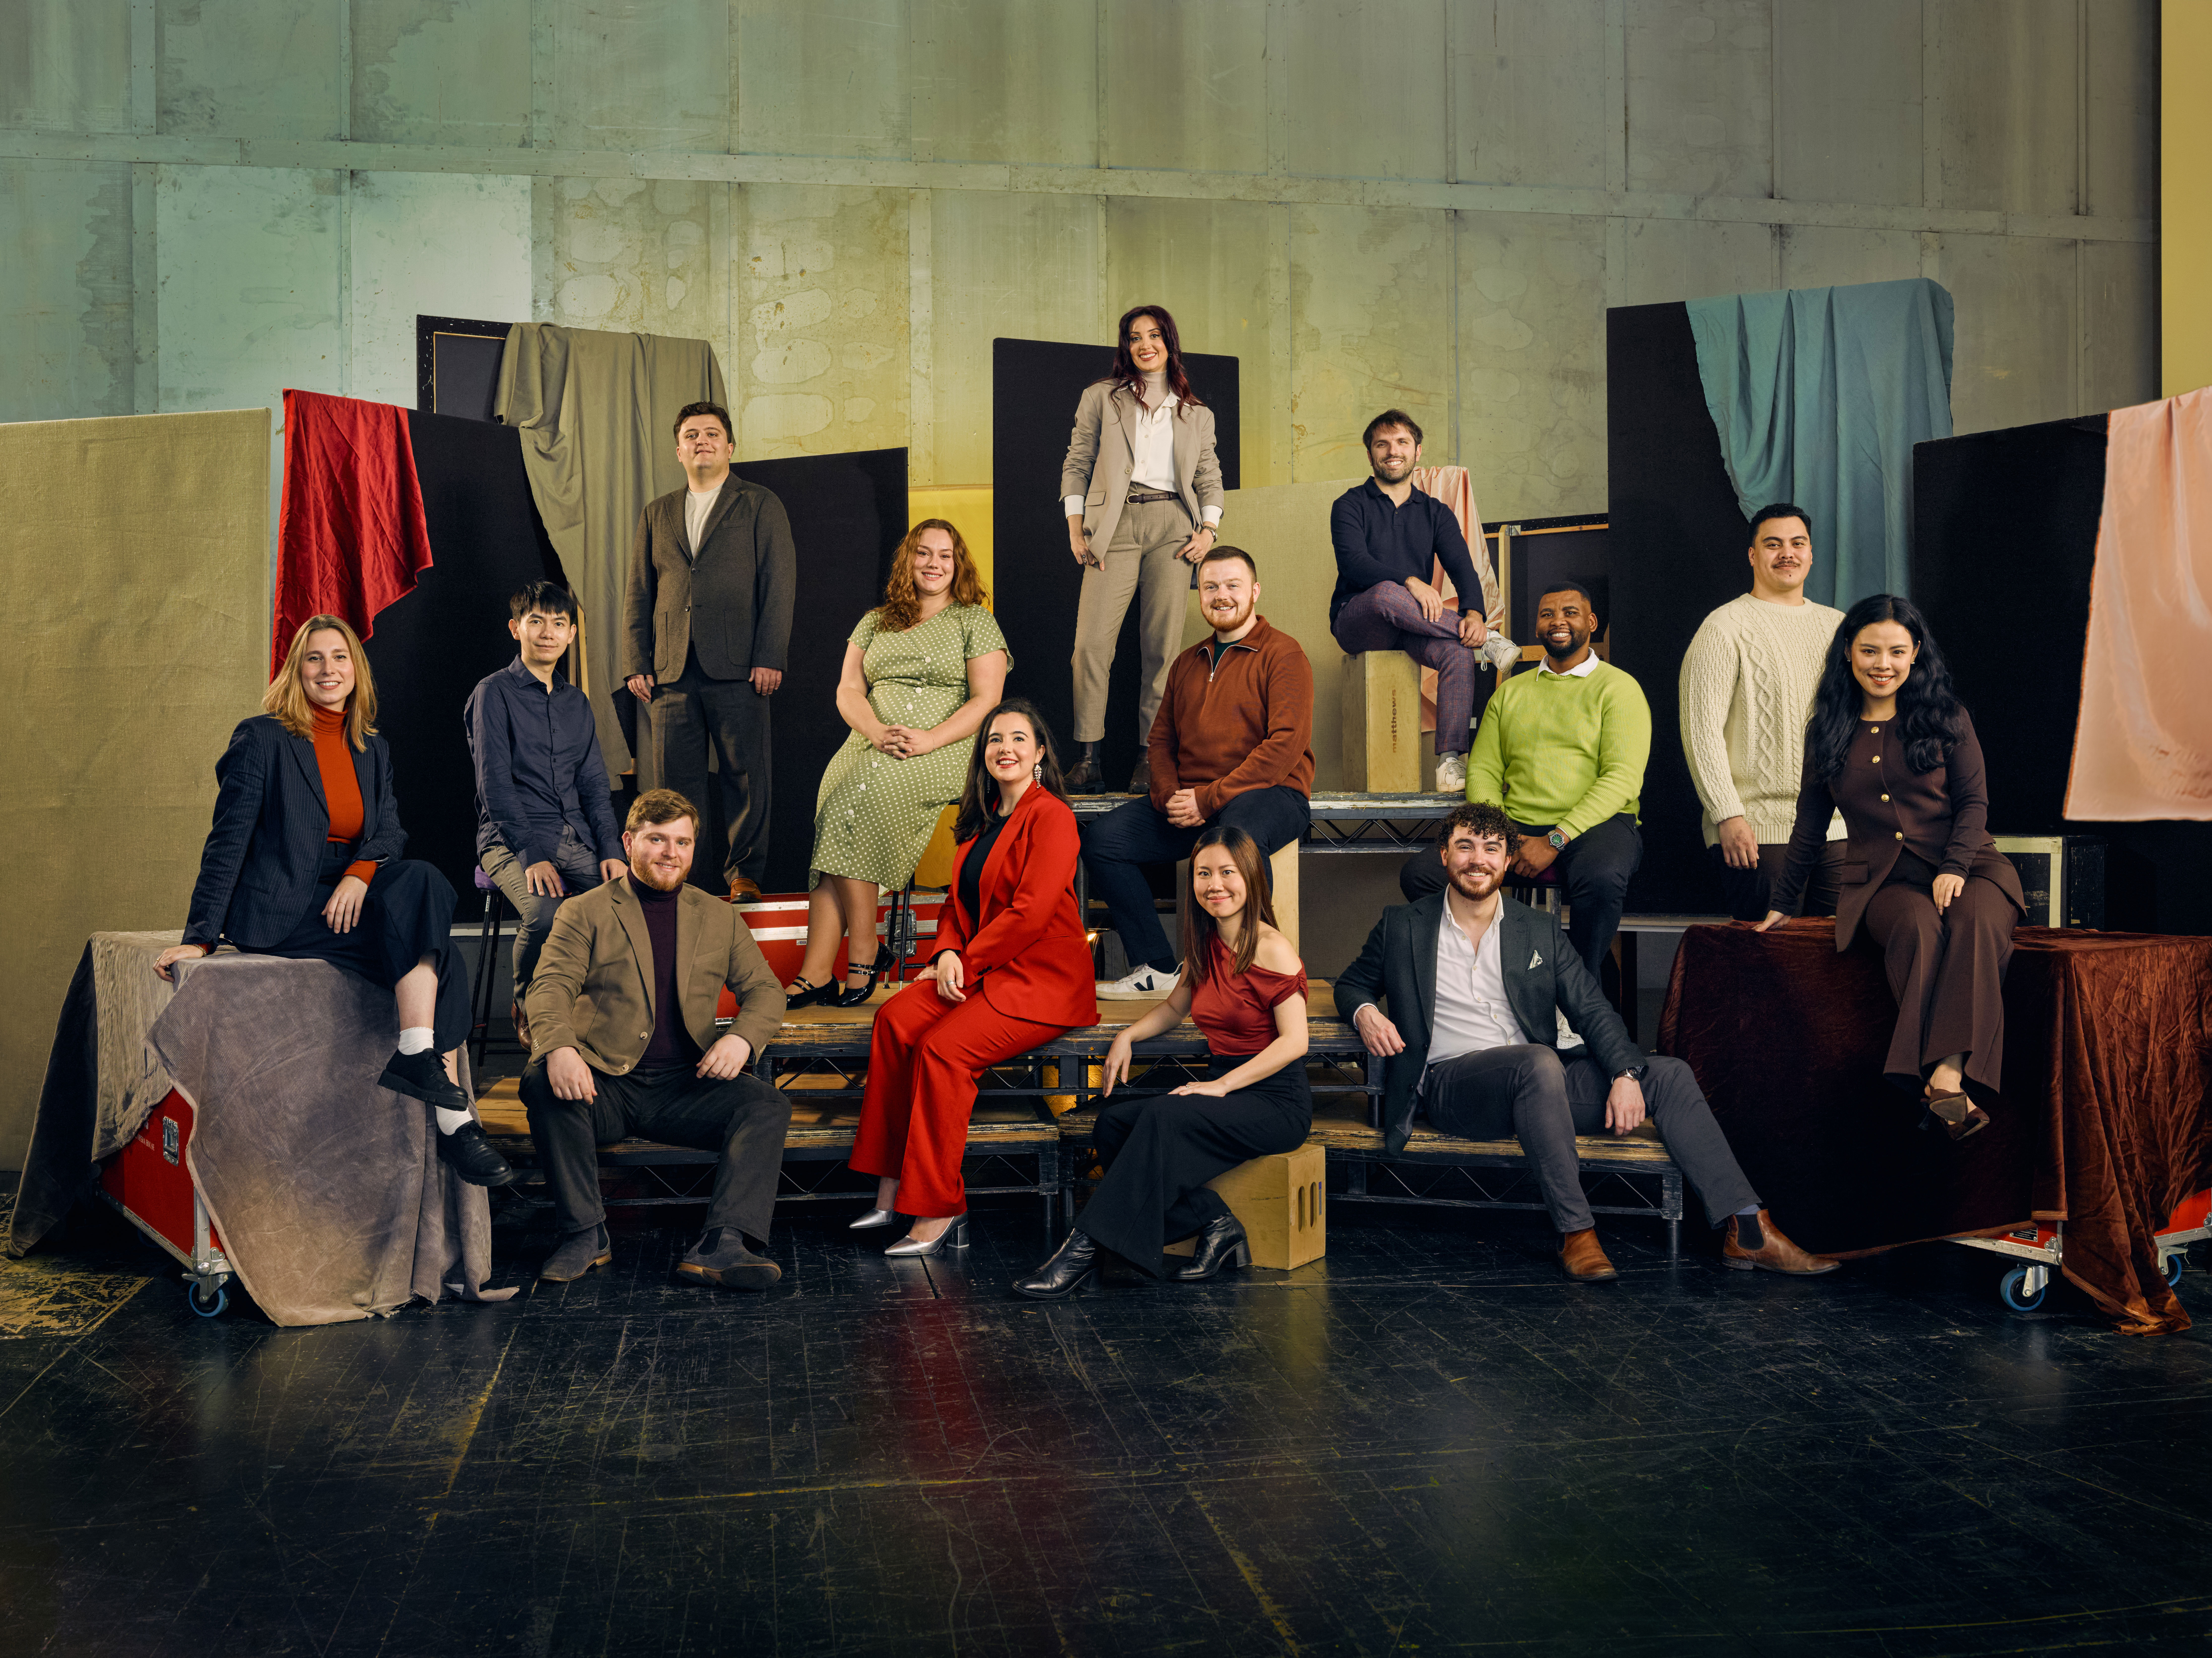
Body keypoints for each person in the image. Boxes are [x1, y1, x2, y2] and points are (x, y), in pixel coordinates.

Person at [1341, 803, 1834, 1280]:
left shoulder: (1535, 930)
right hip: (1452, 1086)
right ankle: (1576, 1231)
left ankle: (1747, 1229)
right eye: (1464, 846)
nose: (1478, 859)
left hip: (1538, 1082)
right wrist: (1365, 1013)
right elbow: (1351, 985)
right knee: (1536, 1063)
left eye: (1491, 848)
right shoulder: (1402, 925)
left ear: (1508, 860)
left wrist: (1625, 1073)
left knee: (1666, 1074)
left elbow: (1591, 1007)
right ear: (1444, 856)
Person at [154, 616, 514, 1187]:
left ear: (356, 670)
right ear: (297, 671)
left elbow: (389, 831)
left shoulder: (372, 746)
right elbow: (229, 840)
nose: (329, 670)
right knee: (439, 953)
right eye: (315, 659)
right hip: (285, 900)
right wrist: (199, 936)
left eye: (340, 658)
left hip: (349, 888)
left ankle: (418, 1052)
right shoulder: (262, 736)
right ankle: (457, 1125)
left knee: (420, 878)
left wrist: (360, 876)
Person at [1758, 595, 2023, 1139]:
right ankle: (1932, 1079)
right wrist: (1782, 904)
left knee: (1973, 923)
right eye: (1870, 651)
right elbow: (1808, 826)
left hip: (1971, 866)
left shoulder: (1947, 716)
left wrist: (1953, 865)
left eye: (1897, 652)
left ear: (1915, 653)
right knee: (1916, 928)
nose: (1883, 664)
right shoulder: (1827, 729)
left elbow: (1974, 803)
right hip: (1881, 883)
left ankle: (1946, 1077)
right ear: (1848, 655)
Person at [1017, 825, 1311, 1297]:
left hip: (1275, 1101)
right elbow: (1176, 1008)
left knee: (1160, 1114)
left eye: (1227, 872)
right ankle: (1213, 1222)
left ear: (1252, 877)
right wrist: (1127, 1036)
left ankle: (1084, 1250)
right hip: (1228, 1090)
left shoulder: (1272, 947)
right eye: (1203, 874)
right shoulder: (1208, 942)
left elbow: (1295, 1042)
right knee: (1113, 1124)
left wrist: (1220, 1087)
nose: (1215, 884)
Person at [520, 789, 794, 1287]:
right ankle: (585, 1235)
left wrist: (742, 1040)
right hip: (603, 1082)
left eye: (683, 842)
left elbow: (765, 993)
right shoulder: (584, 911)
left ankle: (723, 1244)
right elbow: (550, 988)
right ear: (629, 842)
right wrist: (559, 1047)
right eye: (657, 839)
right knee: (543, 1080)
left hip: (684, 1086)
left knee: (765, 1105)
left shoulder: (718, 915)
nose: (671, 853)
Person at [849, 701, 1097, 1254]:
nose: (1004, 748)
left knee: (941, 1051)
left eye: (1017, 738)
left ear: (1038, 754)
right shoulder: (982, 817)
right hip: (985, 969)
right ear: (983, 755)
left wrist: (967, 959)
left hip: (1042, 981)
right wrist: (946, 954)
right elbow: (955, 907)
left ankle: (939, 1208)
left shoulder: (1051, 814)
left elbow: (1031, 912)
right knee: (894, 1019)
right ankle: (892, 1185)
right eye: (994, 740)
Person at [784, 520, 1009, 1011]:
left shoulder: (974, 620)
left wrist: (927, 738)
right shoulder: (875, 621)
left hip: (943, 744)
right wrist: (873, 732)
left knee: (853, 808)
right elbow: (848, 689)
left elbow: (987, 698)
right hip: (869, 741)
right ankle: (818, 971)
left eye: (945, 556)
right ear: (906, 560)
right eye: (923, 553)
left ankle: (864, 953)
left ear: (958, 564)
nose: (933, 564)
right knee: (837, 813)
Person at [1083, 548, 1314, 999]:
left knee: (1237, 833)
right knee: (1103, 841)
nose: (1221, 596)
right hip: (1194, 803)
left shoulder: (1284, 654)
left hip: (1271, 795)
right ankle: (1156, 968)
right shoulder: (1187, 663)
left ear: (1254, 592)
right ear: (1200, 595)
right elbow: (1161, 741)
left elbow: (1283, 748)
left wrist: (1208, 799)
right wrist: (1170, 796)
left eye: (1232, 586)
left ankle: (1245, 974)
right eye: (1210, 587)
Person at [1400, 580, 1648, 984]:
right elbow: (1483, 770)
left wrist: (1556, 840)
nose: (1558, 622)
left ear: (1592, 622)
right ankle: (1500, 963)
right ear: (1536, 628)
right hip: (1515, 825)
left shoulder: (1619, 689)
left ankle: (1578, 987)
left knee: (1602, 880)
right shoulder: (1510, 693)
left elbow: (1620, 779)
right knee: (1422, 875)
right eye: (1547, 614)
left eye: (1570, 613)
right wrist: (1498, 838)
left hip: (1594, 825)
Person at [622, 401, 796, 898]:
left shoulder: (760, 504)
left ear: (729, 446)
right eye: (692, 435)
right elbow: (639, 591)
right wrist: (637, 660)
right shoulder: (657, 512)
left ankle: (744, 873)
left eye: (712, 434)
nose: (702, 441)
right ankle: (685, 878)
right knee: (677, 785)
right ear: (678, 450)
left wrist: (769, 655)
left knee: (745, 778)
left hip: (741, 667)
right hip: (671, 670)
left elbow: (779, 585)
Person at [1060, 304, 1226, 794]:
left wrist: (1208, 531)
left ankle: (1148, 759)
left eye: (1154, 336)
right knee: (1089, 647)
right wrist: (1075, 527)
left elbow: (1209, 478)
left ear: (1169, 343)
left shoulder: (1195, 414)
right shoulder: (1101, 398)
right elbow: (1077, 461)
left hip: (1174, 526)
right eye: (1135, 337)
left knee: (1163, 651)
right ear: (1125, 346)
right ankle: (1087, 759)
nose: (1144, 345)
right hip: (1114, 524)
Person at [466, 581, 628, 1043]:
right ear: (516, 628)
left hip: (575, 835)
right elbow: (493, 785)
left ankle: (597, 1013)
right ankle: (529, 1006)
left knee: (626, 906)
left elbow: (595, 786)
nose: (547, 633)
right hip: (510, 840)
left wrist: (611, 850)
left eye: (558, 624)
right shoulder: (492, 693)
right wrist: (531, 854)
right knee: (545, 913)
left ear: (572, 634)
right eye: (536, 622)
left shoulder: (577, 702)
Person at [1679, 504, 1849, 922]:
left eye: (1797, 544)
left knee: (1837, 963)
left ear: (1811, 554)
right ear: (1753, 556)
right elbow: (1701, 733)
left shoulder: (1840, 627)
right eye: (1773, 545)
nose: (1786, 554)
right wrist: (1727, 815)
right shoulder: (1723, 628)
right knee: (1768, 964)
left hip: (1841, 828)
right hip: (1760, 831)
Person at [1328, 409, 1496, 792]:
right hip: (1359, 621)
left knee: (1456, 653)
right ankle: (1491, 643)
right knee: (1387, 593)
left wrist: (1474, 613)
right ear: (1370, 453)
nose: (1393, 451)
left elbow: (1463, 568)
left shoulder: (1436, 512)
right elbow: (1355, 564)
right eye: (1382, 444)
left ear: (1417, 451)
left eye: (1402, 442)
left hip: (1409, 628)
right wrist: (1411, 581)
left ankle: (1450, 762)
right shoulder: (1350, 505)